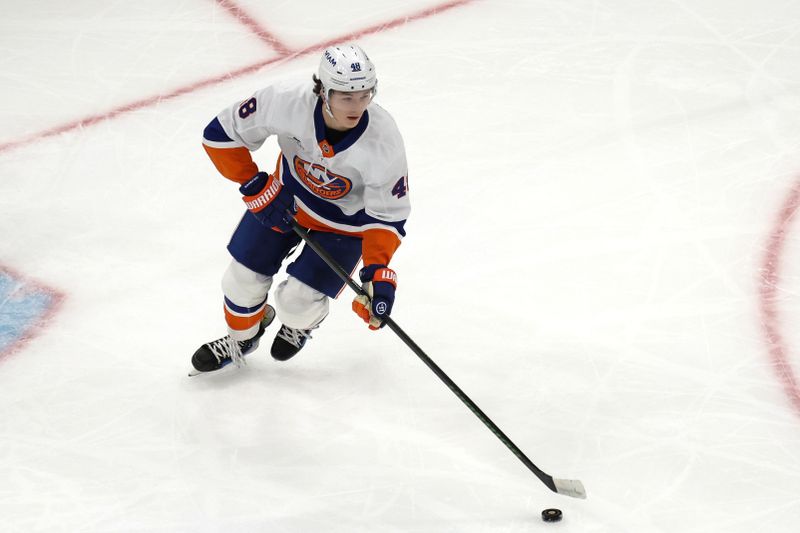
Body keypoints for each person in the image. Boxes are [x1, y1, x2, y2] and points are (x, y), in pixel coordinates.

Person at [190, 43, 410, 373]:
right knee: (241, 280)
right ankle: (241, 338)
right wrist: (254, 184)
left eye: (365, 94)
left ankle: (300, 324)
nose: (358, 105)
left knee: (298, 303)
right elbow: (220, 134)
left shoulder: (383, 139)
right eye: (346, 96)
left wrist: (377, 272)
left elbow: (388, 215)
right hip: (284, 202)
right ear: (323, 90)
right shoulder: (287, 100)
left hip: (345, 227)